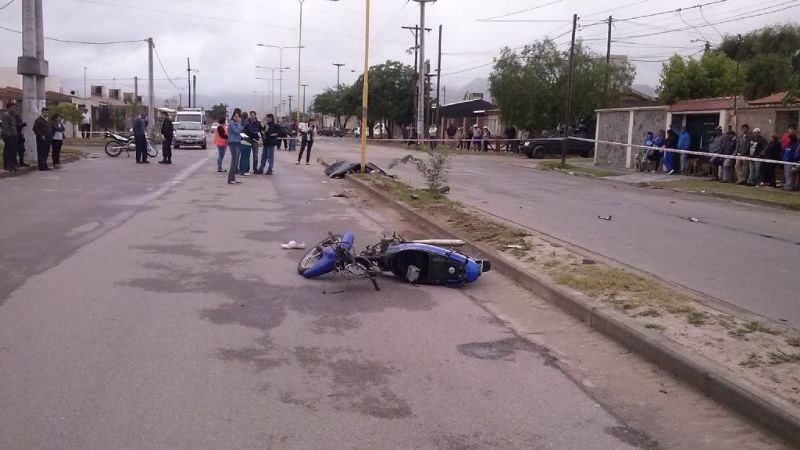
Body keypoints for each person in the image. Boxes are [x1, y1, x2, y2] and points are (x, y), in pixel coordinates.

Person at [227, 110, 243, 184]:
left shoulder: (236, 124)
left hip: (237, 142)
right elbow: (236, 131)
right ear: (233, 117)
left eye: (238, 116)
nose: (237, 118)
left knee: (235, 161)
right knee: (234, 161)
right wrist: (239, 124)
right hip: (232, 143)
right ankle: (230, 179)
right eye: (235, 116)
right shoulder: (231, 124)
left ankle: (233, 178)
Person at [1, 101, 19, 172]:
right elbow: (5, 127)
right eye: (12, 108)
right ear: (8, 108)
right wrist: (10, 135)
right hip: (8, 135)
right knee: (7, 150)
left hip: (14, 135)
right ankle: (7, 165)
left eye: (14, 108)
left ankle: (12, 165)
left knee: (13, 151)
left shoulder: (13, 115)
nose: (14, 109)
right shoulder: (6, 115)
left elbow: (14, 126)